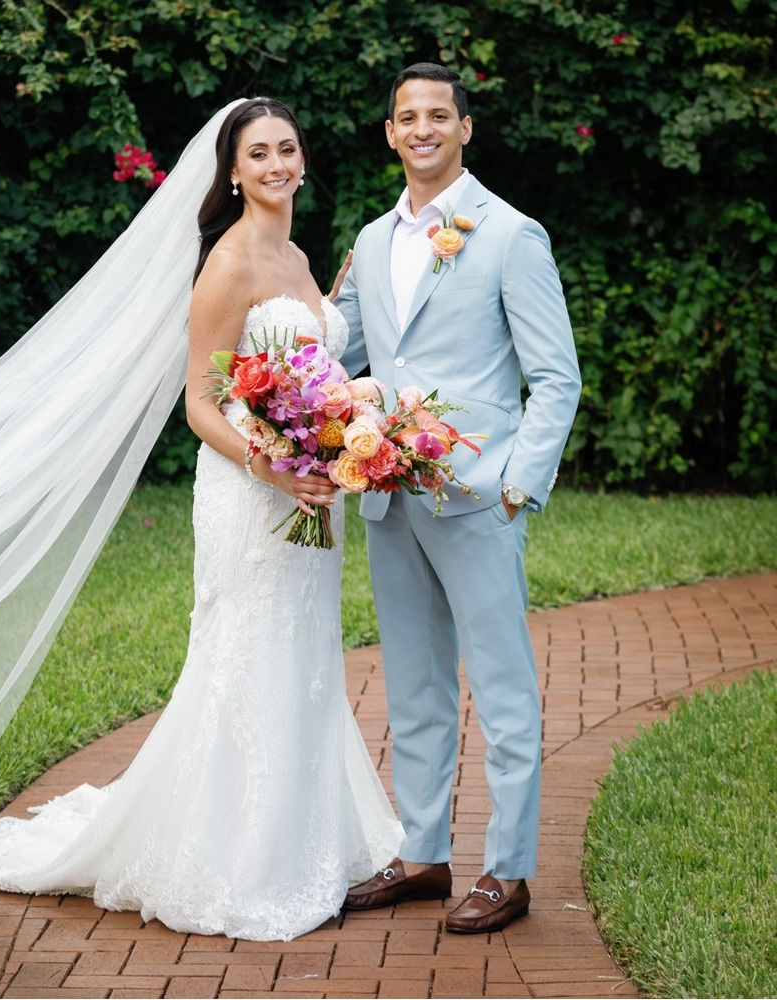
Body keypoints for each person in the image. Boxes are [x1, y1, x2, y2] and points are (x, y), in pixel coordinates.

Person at [0, 97, 403, 942]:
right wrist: (276, 465)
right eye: (257, 153)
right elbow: (200, 405)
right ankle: (234, 859)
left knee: (303, 658)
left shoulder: (303, 257)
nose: (275, 164)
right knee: (245, 654)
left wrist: (345, 421)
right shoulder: (229, 265)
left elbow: (314, 379)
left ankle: (304, 843)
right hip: (249, 492)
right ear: (232, 171)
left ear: (304, 160)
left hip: (308, 494)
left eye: (287, 149)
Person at [334, 63, 581, 933]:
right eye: (409, 117)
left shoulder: (511, 235)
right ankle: (424, 855)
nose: (424, 128)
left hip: (479, 500)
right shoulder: (369, 240)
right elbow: (345, 352)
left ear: (465, 129)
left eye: (440, 115)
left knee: (505, 688)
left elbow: (556, 376)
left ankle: (508, 871)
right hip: (387, 498)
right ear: (391, 132)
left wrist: (517, 488)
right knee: (414, 687)